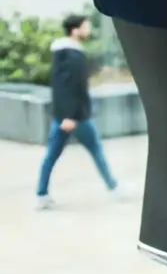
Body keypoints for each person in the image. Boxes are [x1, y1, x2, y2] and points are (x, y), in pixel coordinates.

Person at [35, 13, 118, 209]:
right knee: (95, 149)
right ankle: (113, 187)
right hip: (75, 116)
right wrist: (70, 116)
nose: (88, 29)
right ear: (75, 30)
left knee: (52, 154)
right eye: (85, 26)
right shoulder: (73, 55)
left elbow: (58, 86)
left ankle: (41, 194)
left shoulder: (63, 53)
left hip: (65, 115)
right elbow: (70, 87)